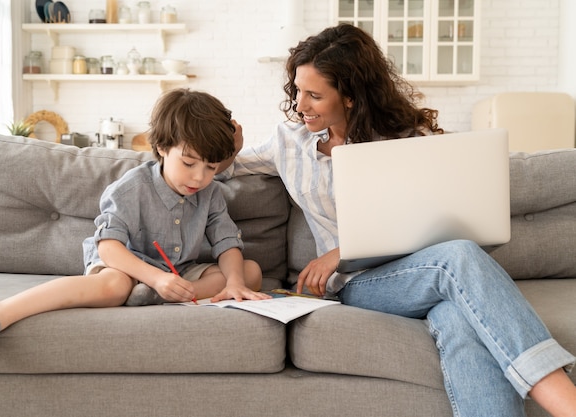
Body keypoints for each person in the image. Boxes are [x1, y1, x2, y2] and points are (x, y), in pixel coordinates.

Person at [219, 24, 576, 417]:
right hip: (358, 285)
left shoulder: (407, 139)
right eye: (298, 90)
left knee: (459, 319)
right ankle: (562, 397)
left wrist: (338, 251)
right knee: (457, 258)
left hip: (420, 271)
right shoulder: (288, 141)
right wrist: (226, 153)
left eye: (315, 95)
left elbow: (444, 221)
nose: (300, 104)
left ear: (352, 96)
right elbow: (221, 172)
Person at [0, 88, 270, 373]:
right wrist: (155, 278)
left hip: (175, 271)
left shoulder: (209, 191)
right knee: (116, 286)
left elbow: (227, 242)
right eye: (189, 163)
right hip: (124, 263)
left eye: (211, 168)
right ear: (161, 147)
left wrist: (235, 284)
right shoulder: (133, 187)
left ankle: (154, 296)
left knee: (249, 272)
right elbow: (108, 247)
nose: (200, 177)